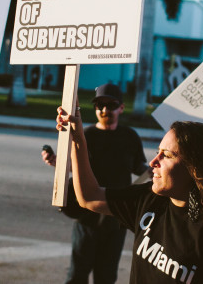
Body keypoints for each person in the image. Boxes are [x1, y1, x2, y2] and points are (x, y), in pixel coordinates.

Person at [55, 105, 203, 283]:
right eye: (157, 152)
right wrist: (78, 140)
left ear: (196, 168)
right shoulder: (150, 200)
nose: (153, 162)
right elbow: (90, 196)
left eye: (167, 155)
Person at [42, 83, 148, 284]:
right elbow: (75, 166)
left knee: (106, 276)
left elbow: (137, 166)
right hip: (87, 215)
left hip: (116, 217)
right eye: (100, 105)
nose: (105, 110)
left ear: (121, 108)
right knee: (77, 274)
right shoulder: (86, 135)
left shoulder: (130, 136)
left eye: (111, 105)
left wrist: (153, 169)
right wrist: (57, 162)